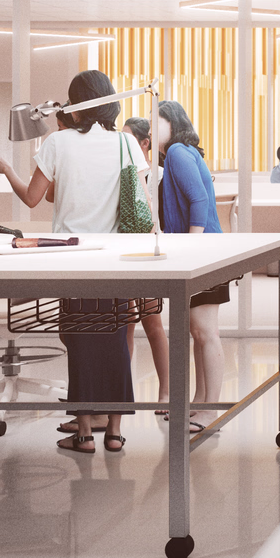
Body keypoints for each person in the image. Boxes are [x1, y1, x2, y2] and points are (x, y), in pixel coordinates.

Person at [0, 70, 141, 456]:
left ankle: (85, 433)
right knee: (117, 340)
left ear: (76, 104)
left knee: (79, 341)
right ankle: (116, 432)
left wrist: (7, 170)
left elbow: (33, 199)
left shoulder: (58, 142)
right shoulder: (126, 144)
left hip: (71, 256)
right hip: (116, 258)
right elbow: (134, 200)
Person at [153, 100, 228, 434]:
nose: (153, 128)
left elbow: (199, 200)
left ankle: (210, 409)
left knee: (205, 332)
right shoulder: (179, 153)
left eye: (157, 122)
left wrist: (190, 249)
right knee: (198, 333)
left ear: (173, 122)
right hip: (202, 250)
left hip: (203, 252)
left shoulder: (178, 154)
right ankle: (199, 403)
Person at [120, 117, 171, 402]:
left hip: (149, 253)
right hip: (126, 253)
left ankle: (165, 391)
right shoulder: (124, 172)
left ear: (144, 144)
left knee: (153, 323)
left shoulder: (160, 175)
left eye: (129, 139)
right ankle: (123, 391)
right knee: (125, 323)